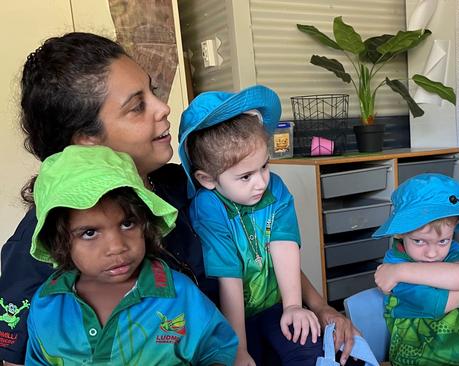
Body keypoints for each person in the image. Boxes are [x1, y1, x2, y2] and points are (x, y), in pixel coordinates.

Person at [0, 32, 357, 365]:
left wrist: (321, 307)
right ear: (85, 141)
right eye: (137, 106)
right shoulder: (42, 240)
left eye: (153, 91)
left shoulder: (180, 184)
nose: (163, 107)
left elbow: (260, 245)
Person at [25, 145, 238, 365]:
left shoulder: (179, 294)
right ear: (60, 241)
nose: (117, 246)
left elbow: (217, 349)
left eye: (127, 224)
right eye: (89, 233)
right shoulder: (47, 305)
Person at [178, 85, 324, 365]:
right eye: (245, 177)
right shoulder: (208, 207)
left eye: (265, 167)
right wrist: (239, 348)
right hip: (231, 316)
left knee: (309, 351)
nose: (261, 182)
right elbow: (228, 275)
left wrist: (294, 305)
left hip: (276, 303)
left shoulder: (276, 189)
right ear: (208, 180)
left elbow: (284, 245)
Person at [372, 173, 459, 365]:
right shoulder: (394, 263)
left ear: (454, 227)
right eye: (419, 241)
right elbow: (440, 304)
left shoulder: (397, 271)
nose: (432, 253)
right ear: (400, 233)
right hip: (422, 355)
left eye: (443, 241)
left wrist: (401, 272)